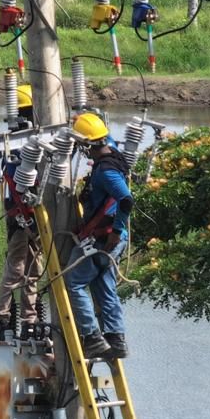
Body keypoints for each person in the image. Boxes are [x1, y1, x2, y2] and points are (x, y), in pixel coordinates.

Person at [64, 111, 133, 360]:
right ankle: (116, 340)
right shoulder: (113, 154)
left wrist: (115, 232)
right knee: (104, 286)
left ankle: (92, 337)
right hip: (108, 238)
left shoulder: (106, 171)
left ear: (87, 145)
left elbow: (126, 200)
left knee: (75, 282)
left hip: (104, 239)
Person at [0, 146, 42, 336]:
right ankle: (1, 318)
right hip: (21, 221)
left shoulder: (23, 158)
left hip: (34, 222)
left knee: (33, 271)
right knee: (16, 270)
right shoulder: (18, 160)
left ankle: (28, 320)